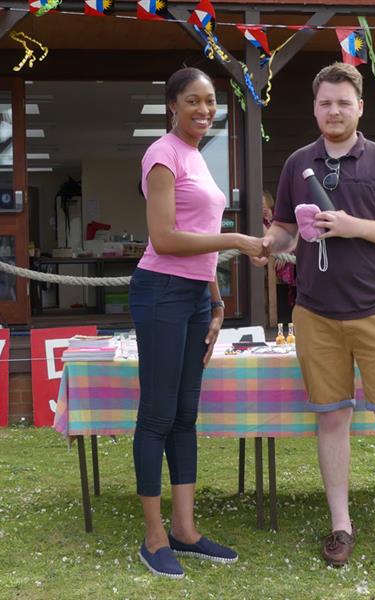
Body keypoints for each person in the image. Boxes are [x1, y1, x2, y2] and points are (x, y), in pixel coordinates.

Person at [252, 62, 375, 569]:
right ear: (315, 108)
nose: (334, 111)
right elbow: (286, 231)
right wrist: (271, 243)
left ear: (359, 108)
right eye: (325, 103)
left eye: (343, 103)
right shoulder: (296, 164)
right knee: (331, 420)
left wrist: (353, 225)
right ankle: (340, 524)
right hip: (315, 313)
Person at [130, 67, 265, 579]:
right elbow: (165, 239)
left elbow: (197, 230)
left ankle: (184, 530)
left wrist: (214, 298)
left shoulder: (198, 157)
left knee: (185, 414)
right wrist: (236, 241)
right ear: (172, 105)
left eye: (210, 102)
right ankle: (154, 535)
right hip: (161, 293)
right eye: (193, 101)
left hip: (191, 297)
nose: (204, 111)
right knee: (157, 415)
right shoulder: (161, 154)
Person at [262, 190, 297, 311]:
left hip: (285, 254)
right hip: (273, 257)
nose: (264, 210)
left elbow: (289, 238)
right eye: (261, 207)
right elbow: (270, 240)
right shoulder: (260, 223)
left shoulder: (277, 219)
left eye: (266, 206)